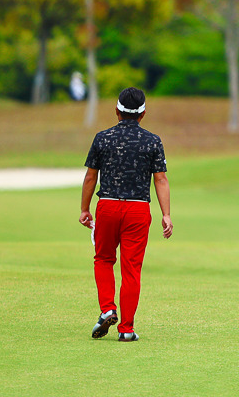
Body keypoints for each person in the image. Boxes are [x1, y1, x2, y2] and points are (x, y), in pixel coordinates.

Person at [79, 87, 172, 342]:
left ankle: (108, 308)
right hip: (138, 209)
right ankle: (127, 329)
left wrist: (85, 209)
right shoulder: (153, 141)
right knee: (131, 269)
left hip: (107, 206)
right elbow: (160, 179)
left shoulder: (102, 138)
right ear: (143, 114)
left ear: (117, 110)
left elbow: (90, 176)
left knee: (103, 259)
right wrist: (166, 214)